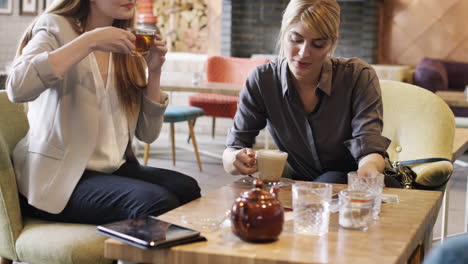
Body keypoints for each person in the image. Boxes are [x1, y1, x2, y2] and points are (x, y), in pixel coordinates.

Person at [6, 0, 201, 225]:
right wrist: (91, 41)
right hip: (57, 178)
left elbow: (147, 134)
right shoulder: (54, 26)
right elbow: (17, 87)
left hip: (112, 170)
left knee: (187, 189)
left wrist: (154, 71)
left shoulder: (126, 42)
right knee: (154, 201)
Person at [223, 0, 399, 186]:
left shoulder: (358, 76)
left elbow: (369, 147)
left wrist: (368, 169)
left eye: (318, 44)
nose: (304, 53)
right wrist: (235, 158)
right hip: (310, 191)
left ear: (332, 43)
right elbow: (233, 151)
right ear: (283, 33)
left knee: (331, 179)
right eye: (296, 40)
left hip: (360, 185)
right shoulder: (262, 81)